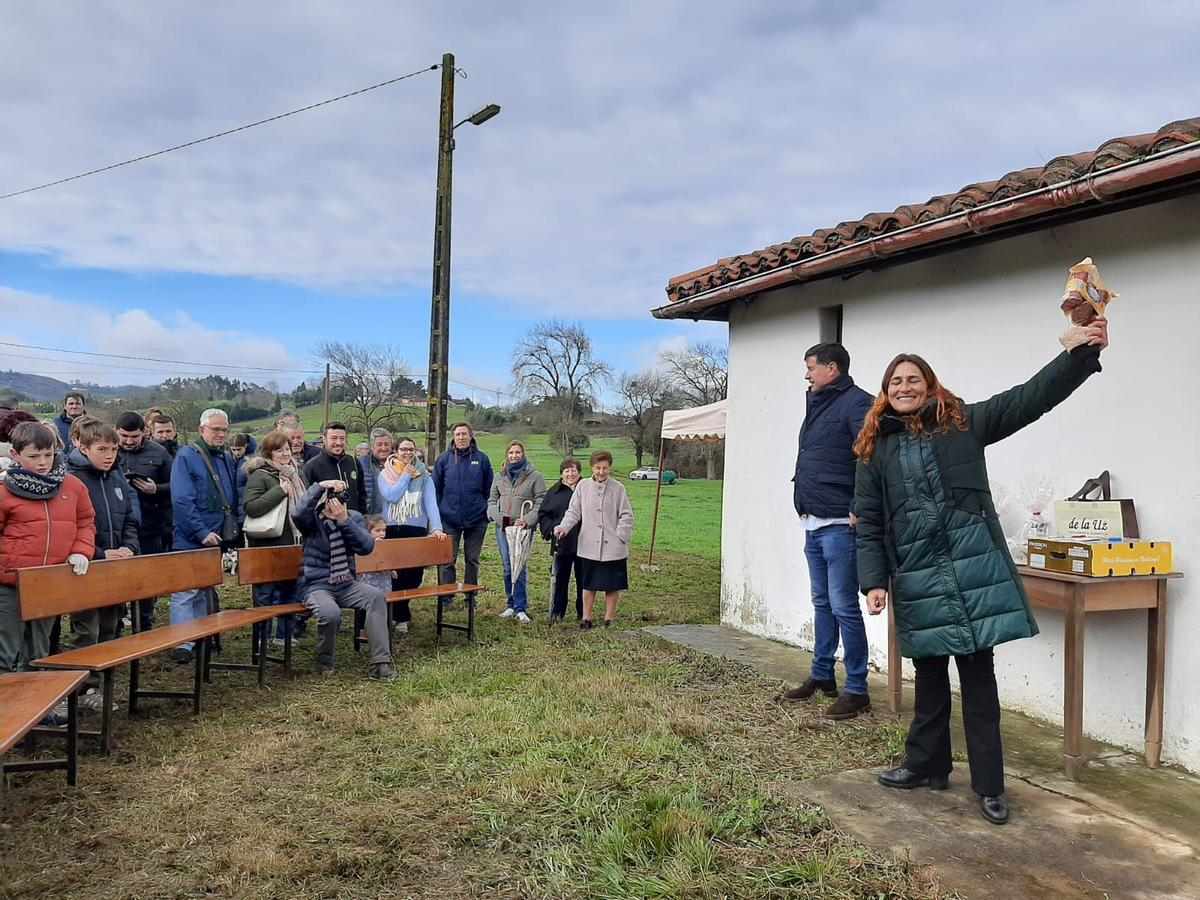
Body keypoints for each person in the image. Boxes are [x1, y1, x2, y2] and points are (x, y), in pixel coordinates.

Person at [854, 318, 1109, 826]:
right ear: (885, 393)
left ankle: (990, 786)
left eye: (913, 379)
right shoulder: (873, 449)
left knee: (978, 683)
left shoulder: (964, 423)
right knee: (927, 680)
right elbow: (869, 521)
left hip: (973, 574)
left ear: (930, 385)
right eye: (895, 382)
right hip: (917, 575)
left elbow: (1029, 398)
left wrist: (1079, 355)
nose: (904, 388)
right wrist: (875, 580)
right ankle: (926, 767)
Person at [781, 342, 875, 720]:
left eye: (811, 367)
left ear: (831, 368)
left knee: (843, 606)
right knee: (822, 603)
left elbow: (871, 452)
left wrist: (858, 506)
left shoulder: (856, 403)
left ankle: (857, 688)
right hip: (814, 522)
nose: (807, 374)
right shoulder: (819, 402)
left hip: (840, 525)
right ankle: (822, 676)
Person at [0, 422, 95, 677]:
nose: (43, 462)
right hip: (9, 583)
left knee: (38, 651)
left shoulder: (72, 486)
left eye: (48, 454)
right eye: (34, 456)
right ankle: (7, 712)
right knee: (5, 651)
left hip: (47, 581)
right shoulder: (4, 491)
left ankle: (34, 707)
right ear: (15, 455)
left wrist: (81, 550)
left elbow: (85, 521)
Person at [66, 418, 139, 709]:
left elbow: (129, 518)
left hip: (115, 566)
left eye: (113, 449)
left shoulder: (116, 478)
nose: (110, 455)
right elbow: (69, 527)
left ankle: (101, 687)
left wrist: (129, 547)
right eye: (102, 449)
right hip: (86, 568)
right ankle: (80, 690)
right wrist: (98, 554)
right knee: (86, 630)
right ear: (83, 448)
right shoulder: (72, 480)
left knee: (111, 627)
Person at [292, 477, 395, 679]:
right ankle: (324, 662)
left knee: (375, 597)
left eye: (342, 498)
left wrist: (344, 521)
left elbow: (366, 547)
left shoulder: (353, 518)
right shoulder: (312, 519)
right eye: (334, 497)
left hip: (346, 583)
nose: (338, 502)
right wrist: (320, 486)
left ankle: (381, 663)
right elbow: (297, 513)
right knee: (330, 613)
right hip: (316, 585)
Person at [168, 408, 241, 663]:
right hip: (191, 535)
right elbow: (182, 499)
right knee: (186, 589)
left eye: (224, 430)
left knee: (206, 588)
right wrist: (201, 531)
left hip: (217, 535)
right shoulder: (187, 456)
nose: (221, 434)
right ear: (202, 430)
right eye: (216, 430)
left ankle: (201, 637)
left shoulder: (224, 457)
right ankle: (182, 644)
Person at [555, 450, 634, 629]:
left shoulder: (618, 488)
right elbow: (574, 512)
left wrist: (621, 535)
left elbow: (627, 515)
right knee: (588, 584)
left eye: (605, 468)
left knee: (612, 585)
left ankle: (609, 618)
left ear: (610, 468)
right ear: (592, 467)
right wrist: (563, 527)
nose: (601, 472)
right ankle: (586, 618)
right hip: (589, 545)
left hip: (613, 548)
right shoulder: (583, 486)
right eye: (598, 468)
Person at [242, 431, 307, 647]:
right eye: (279, 450)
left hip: (292, 544)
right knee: (265, 595)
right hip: (266, 546)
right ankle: (262, 638)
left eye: (287, 449)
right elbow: (251, 507)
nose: (285, 453)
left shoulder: (295, 474)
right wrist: (279, 491)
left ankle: (284, 635)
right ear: (268, 452)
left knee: (290, 592)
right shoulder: (259, 475)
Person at [377, 436, 447, 633]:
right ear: (396, 451)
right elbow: (391, 495)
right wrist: (406, 476)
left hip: (415, 530)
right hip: (393, 529)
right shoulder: (385, 474)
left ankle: (399, 612)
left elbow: (431, 504)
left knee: (414, 576)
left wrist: (437, 528)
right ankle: (400, 616)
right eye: (403, 450)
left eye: (411, 450)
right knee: (395, 575)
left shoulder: (424, 476)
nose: (407, 453)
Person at [116, 412, 174, 630]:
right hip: (119, 528)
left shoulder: (159, 453)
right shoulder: (108, 451)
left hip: (151, 525)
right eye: (124, 436)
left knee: (147, 579)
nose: (129, 441)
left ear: (144, 433)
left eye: (135, 437)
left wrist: (156, 489)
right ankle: (117, 622)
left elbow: (176, 484)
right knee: (118, 579)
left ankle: (143, 625)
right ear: (116, 431)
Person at [432, 423, 493, 611]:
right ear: (453, 437)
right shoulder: (443, 460)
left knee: (472, 559)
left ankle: (470, 597)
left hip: (476, 520)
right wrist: (441, 513)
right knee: (447, 560)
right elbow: (435, 489)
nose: (461, 438)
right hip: (449, 520)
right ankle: (446, 599)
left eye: (464, 434)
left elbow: (489, 488)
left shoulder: (482, 459)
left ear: (471, 436)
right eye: (458, 434)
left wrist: (483, 509)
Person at [488, 440, 546, 624]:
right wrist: (498, 518)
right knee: (507, 566)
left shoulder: (534, 476)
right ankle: (511, 604)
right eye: (511, 453)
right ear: (507, 455)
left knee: (518, 565)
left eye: (517, 452)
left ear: (523, 454)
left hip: (522, 528)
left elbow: (541, 500)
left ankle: (521, 607)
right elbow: (491, 500)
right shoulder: (500, 476)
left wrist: (528, 520)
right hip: (503, 528)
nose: (514, 456)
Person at [538, 458, 584, 624]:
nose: (570, 474)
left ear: (579, 472)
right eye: (567, 471)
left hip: (585, 542)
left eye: (573, 470)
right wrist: (551, 529)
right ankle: (558, 611)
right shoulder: (554, 492)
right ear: (562, 473)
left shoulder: (587, 489)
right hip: (562, 543)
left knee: (583, 579)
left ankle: (584, 612)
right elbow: (543, 514)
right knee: (560, 579)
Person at [303, 423, 366, 514]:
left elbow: (362, 495)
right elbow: (306, 500)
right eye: (334, 438)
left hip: (353, 522)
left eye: (342, 438)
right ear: (324, 439)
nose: (338, 442)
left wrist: (363, 518)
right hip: (325, 524)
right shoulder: (311, 466)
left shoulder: (354, 462)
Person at [360, 428, 393, 516]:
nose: (383, 448)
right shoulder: (361, 464)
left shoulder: (399, 464)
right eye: (379, 444)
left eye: (387, 444)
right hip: (371, 519)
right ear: (372, 446)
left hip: (394, 519)